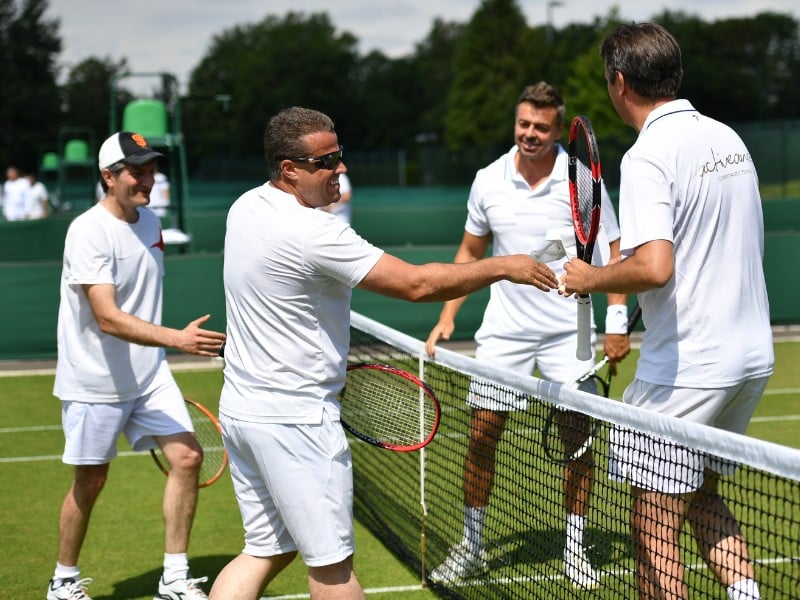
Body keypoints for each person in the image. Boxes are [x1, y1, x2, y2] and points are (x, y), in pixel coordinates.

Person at [208, 106, 559, 600]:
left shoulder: (245, 207)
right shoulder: (316, 232)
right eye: (326, 161)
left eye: (340, 155)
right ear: (289, 169)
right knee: (333, 570)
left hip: (243, 410)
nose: (340, 169)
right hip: (296, 421)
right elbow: (415, 284)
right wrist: (503, 266)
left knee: (266, 549)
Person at [560, 22, 773, 600]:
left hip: (689, 366)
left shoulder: (648, 154)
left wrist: (592, 277)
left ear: (619, 82)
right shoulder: (728, 137)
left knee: (653, 526)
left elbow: (655, 266)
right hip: (750, 358)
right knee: (701, 491)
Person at [424, 82, 631, 588]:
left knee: (577, 443)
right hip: (504, 333)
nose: (530, 134)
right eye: (523, 124)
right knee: (480, 436)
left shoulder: (582, 178)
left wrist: (617, 322)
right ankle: (471, 546)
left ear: (558, 129)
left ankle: (575, 549)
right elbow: (471, 253)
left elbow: (613, 251)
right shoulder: (488, 179)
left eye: (541, 126)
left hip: (570, 333)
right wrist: (448, 314)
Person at [47, 131, 227, 600]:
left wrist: (164, 348)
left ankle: (174, 577)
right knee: (91, 480)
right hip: (94, 382)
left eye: (151, 168)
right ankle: (63, 580)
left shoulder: (151, 223)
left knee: (187, 457)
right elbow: (106, 317)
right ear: (108, 177)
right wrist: (177, 338)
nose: (148, 178)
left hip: (150, 375)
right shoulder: (87, 230)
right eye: (136, 170)